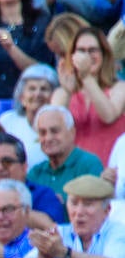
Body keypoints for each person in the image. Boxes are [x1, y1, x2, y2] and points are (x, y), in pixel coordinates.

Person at [48, 26, 125, 165]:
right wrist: (67, 91)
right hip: (75, 174)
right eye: (81, 50)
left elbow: (108, 116)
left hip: (109, 171)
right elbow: (52, 127)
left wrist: (86, 77)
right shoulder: (61, 93)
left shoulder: (119, 88)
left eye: (92, 50)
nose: (86, 56)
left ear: (104, 55)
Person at [26, 105, 104, 202]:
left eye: (55, 131)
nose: (48, 138)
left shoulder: (89, 164)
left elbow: (94, 207)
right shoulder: (36, 172)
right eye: (42, 133)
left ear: (72, 133)